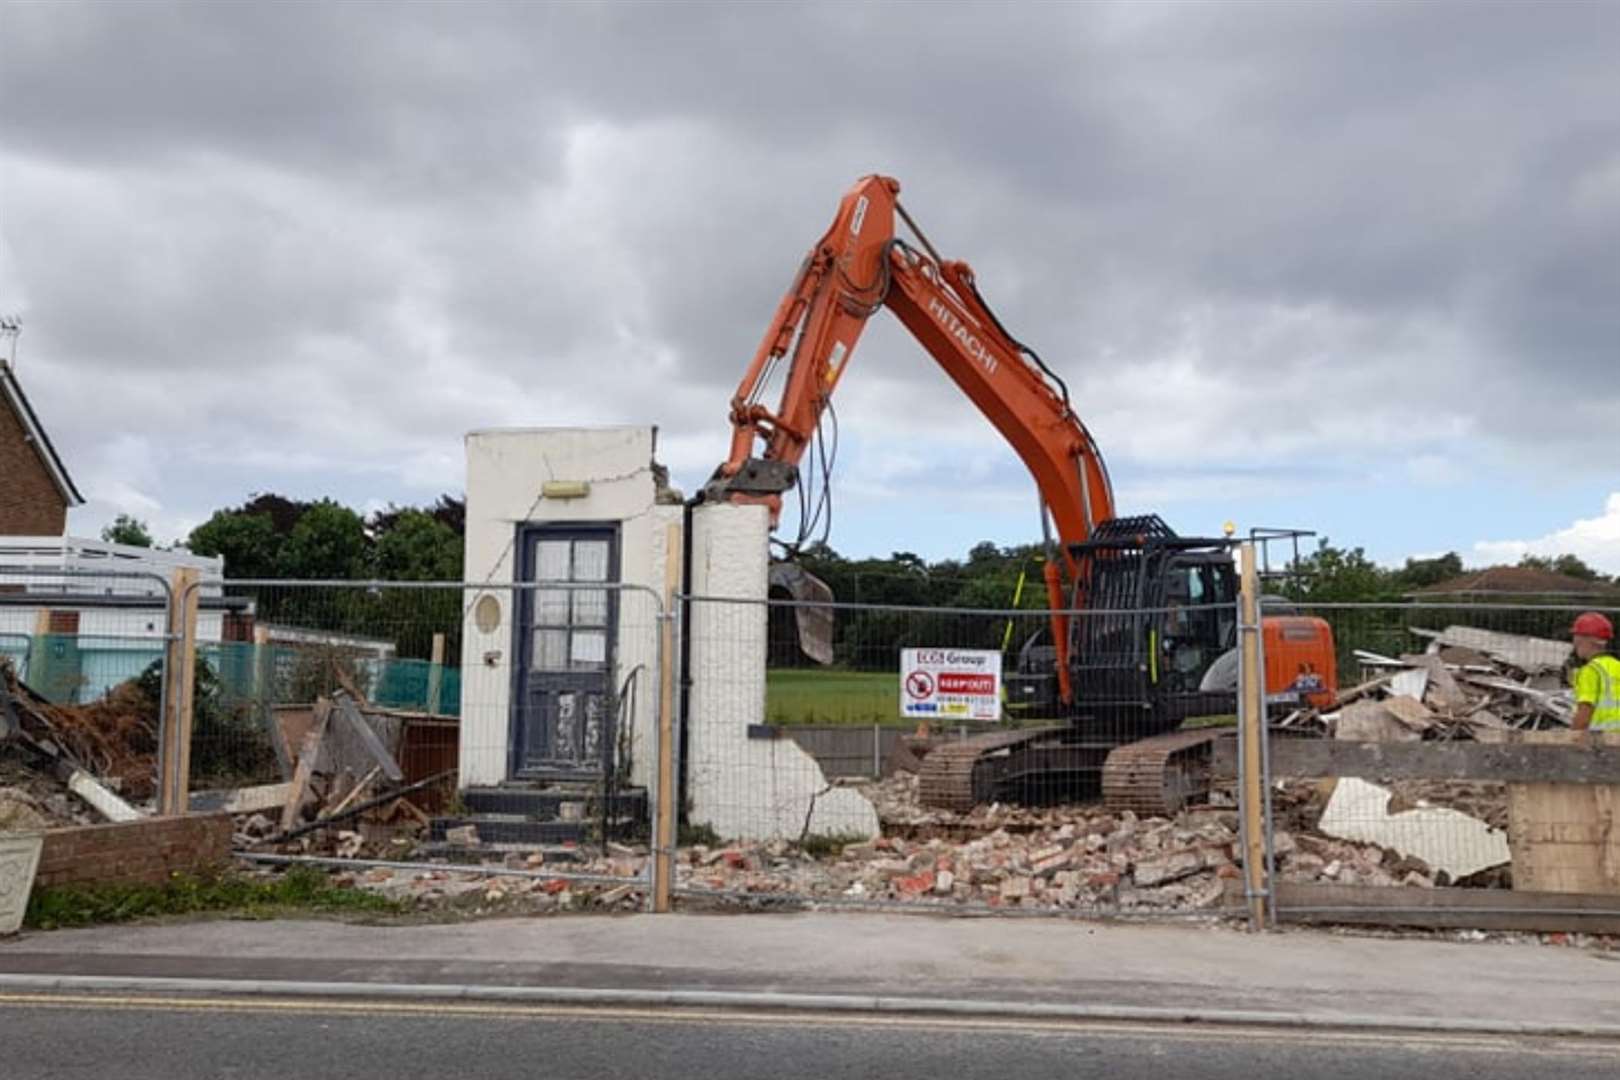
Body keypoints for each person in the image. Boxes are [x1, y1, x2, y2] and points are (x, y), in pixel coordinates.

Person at [1569, 612, 1620, 731]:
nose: (1574, 642)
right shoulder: (1617, 666)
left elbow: (1584, 716)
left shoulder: (1591, 671)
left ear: (1587, 639)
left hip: (1601, 743)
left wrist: (1571, 742)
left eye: (1576, 637)